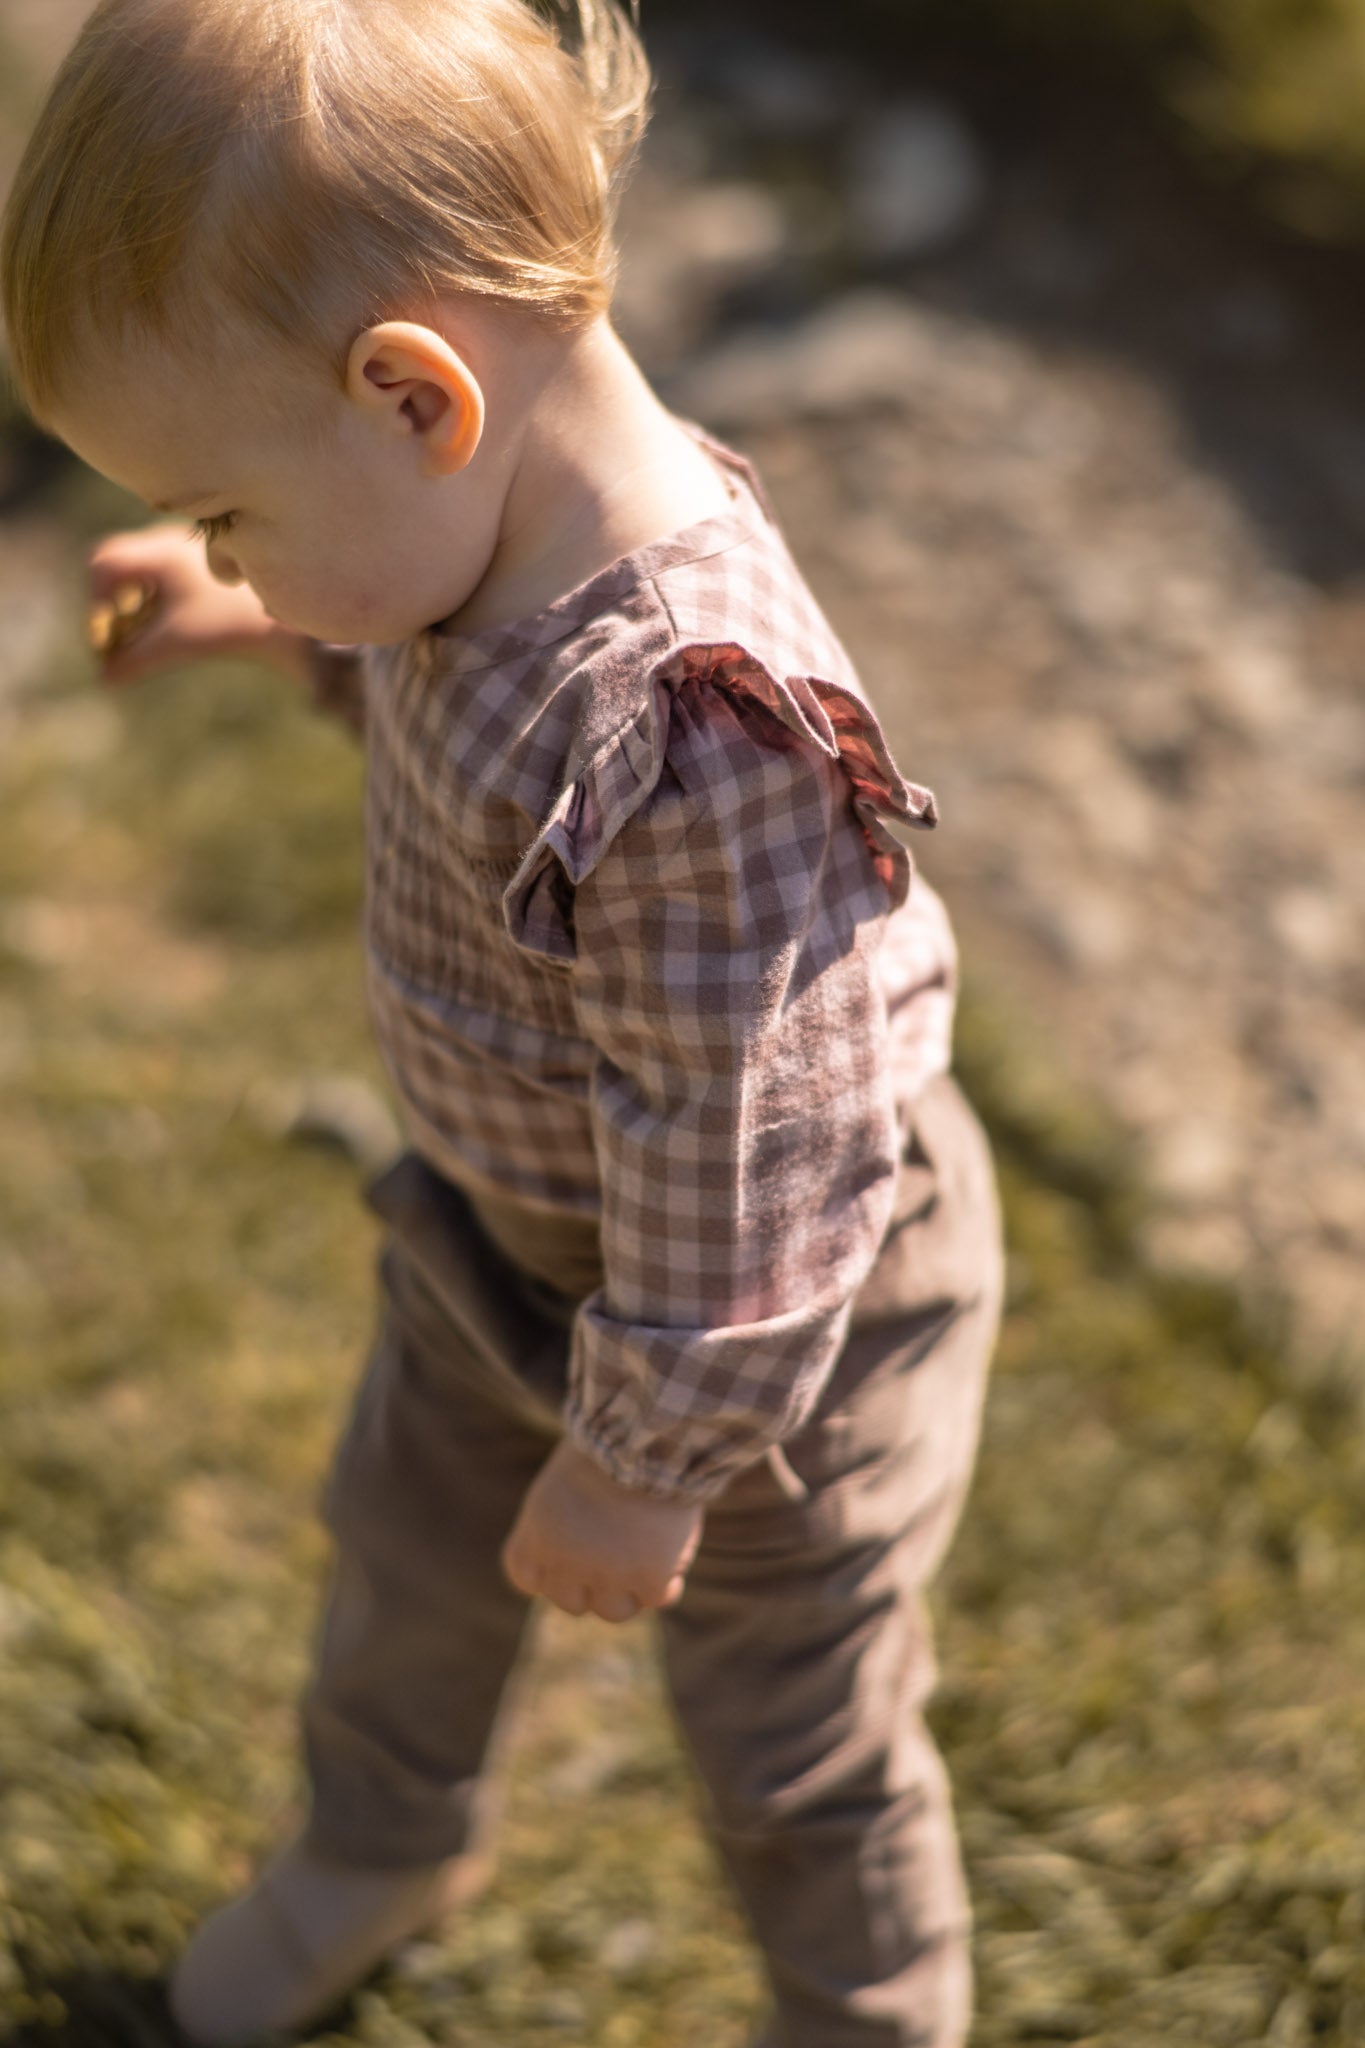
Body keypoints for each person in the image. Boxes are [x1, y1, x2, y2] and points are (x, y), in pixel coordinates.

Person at [0, 1, 1006, 2042]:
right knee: (402, 1572)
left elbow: (763, 1148)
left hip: (764, 1343)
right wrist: (259, 615)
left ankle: (870, 2012)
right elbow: (451, 700)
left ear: (409, 394)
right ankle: (382, 1840)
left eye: (227, 511)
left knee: (789, 1732)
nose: (226, 547)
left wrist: (646, 1460)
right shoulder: (482, 526)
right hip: (504, 1237)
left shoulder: (701, 741)